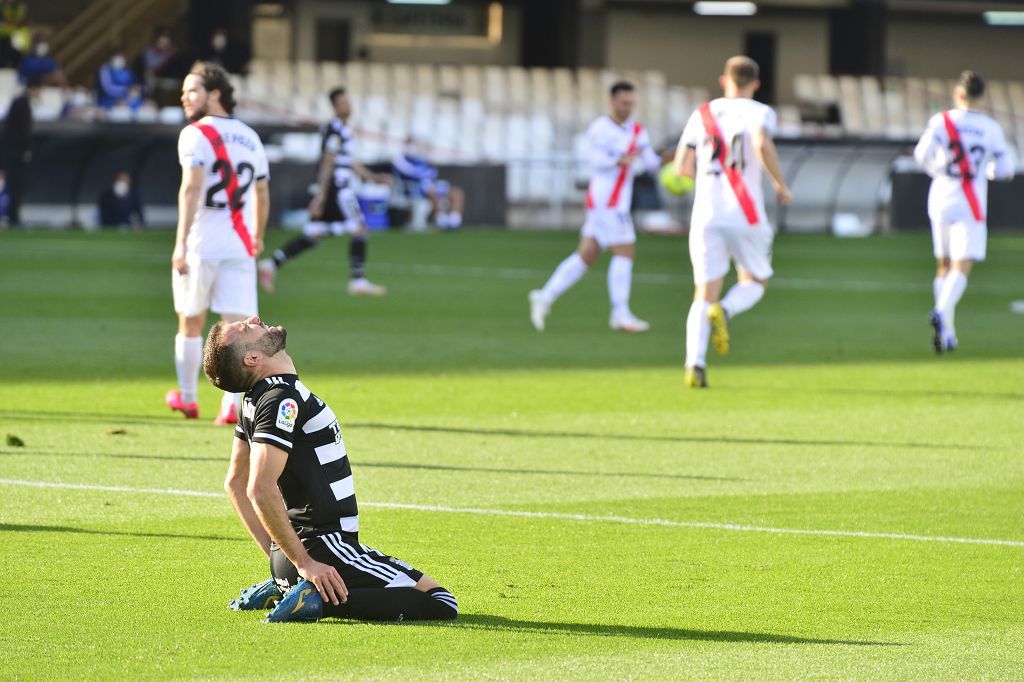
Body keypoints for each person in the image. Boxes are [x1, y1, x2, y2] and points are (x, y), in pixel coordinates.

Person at [203, 315, 459, 623]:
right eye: (246, 328)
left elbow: (235, 483)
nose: (254, 319)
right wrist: (305, 563)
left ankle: (285, 586)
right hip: (326, 547)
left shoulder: (255, 398)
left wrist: (280, 556)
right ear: (253, 358)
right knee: (441, 602)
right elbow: (257, 486)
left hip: (298, 552)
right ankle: (314, 599)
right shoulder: (282, 397)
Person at [672, 56, 792, 388]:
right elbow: (760, 143)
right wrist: (779, 184)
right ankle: (725, 311)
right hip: (745, 212)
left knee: (703, 292)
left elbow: (682, 166)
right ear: (756, 84)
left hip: (706, 214)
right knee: (755, 280)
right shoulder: (760, 112)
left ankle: (694, 364)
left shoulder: (703, 113)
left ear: (724, 79)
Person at [165, 61, 270, 426]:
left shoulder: (195, 134)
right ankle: (232, 405)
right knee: (238, 329)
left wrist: (179, 243)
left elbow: (192, 188)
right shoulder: (250, 136)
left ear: (214, 93)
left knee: (191, 322)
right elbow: (261, 191)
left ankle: (189, 398)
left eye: (191, 91)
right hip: (239, 245)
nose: (184, 97)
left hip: (200, 245)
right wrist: (257, 235)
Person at [528, 81, 660, 333]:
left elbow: (650, 162)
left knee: (586, 256)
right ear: (612, 102)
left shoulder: (638, 131)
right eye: (624, 103)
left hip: (616, 200)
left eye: (632, 103)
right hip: (606, 201)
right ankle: (620, 313)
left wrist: (670, 157)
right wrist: (623, 159)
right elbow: (597, 161)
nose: (628, 107)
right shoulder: (601, 128)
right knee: (625, 252)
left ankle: (544, 296)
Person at [913, 71, 1014, 353]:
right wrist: (990, 171)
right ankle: (942, 312)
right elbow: (1005, 168)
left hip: (941, 195)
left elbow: (921, 154)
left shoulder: (941, 121)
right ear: (982, 97)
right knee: (963, 264)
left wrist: (938, 171)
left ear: (958, 94)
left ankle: (948, 334)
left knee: (943, 264)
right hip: (971, 200)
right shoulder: (990, 128)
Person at [257, 87, 390, 296]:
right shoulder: (334, 130)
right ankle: (358, 280)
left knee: (314, 234)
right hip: (337, 189)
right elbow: (328, 160)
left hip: (337, 188)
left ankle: (271, 264)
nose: (348, 106)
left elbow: (349, 161)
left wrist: (372, 177)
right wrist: (320, 195)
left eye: (348, 102)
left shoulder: (344, 130)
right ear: (335, 107)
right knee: (360, 228)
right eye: (343, 103)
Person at [392, 139, 466, 230]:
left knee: (456, 192)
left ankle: (454, 222)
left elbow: (432, 173)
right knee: (432, 191)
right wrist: (423, 174)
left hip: (428, 185)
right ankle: (441, 220)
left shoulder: (421, 159)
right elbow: (410, 173)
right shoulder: (400, 159)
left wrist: (424, 174)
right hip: (413, 189)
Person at [1, 75, 39, 226]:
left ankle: (10, 214)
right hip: (15, 151)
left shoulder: (18, 102)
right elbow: (24, 130)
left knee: (11, 183)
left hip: (9, 149)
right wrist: (28, 149)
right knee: (15, 184)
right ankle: (12, 215)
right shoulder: (23, 103)